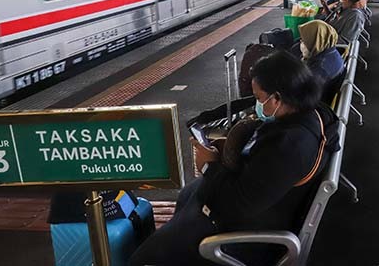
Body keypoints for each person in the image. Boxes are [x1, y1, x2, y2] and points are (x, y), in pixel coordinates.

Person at [129, 52, 338, 266]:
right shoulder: (307, 115)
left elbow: (236, 205)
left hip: (244, 237)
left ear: (277, 98)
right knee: (186, 199)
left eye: (259, 98)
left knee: (143, 260)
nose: (258, 105)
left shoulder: (290, 145)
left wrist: (210, 166)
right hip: (251, 212)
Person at [298, 20, 344, 86]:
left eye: (304, 41)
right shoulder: (330, 51)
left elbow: (304, 91)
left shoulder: (319, 69)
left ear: (315, 41)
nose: (301, 43)